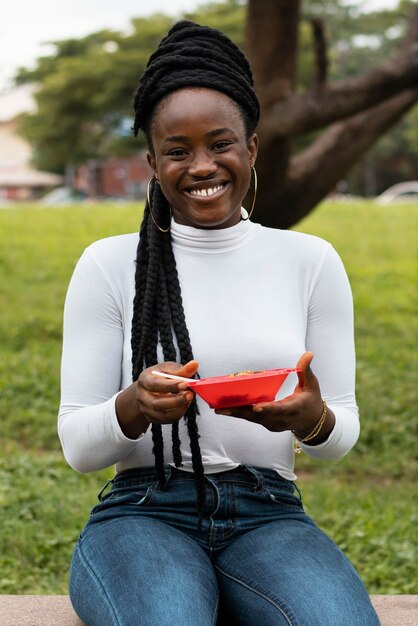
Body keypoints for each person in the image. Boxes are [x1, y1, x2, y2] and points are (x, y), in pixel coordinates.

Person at [59, 20, 380, 626]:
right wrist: (134, 404)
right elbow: (78, 445)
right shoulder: (109, 264)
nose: (201, 165)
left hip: (268, 511)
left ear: (252, 148)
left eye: (221, 143)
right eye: (177, 151)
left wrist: (312, 419)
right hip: (143, 512)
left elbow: (342, 433)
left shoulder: (309, 260)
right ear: (153, 162)